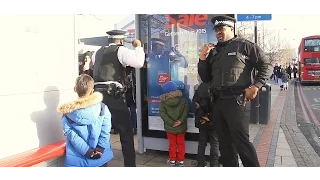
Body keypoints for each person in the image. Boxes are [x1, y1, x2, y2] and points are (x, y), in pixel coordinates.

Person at [198, 15, 273, 167]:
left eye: (222, 29)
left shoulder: (244, 45)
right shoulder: (213, 51)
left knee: (241, 142)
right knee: (225, 144)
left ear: (231, 28)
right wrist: (202, 57)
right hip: (218, 102)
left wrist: (256, 86)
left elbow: (266, 65)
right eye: (217, 30)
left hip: (237, 101)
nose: (218, 32)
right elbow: (205, 77)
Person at [92, 29, 145, 167]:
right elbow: (139, 62)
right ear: (121, 41)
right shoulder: (120, 50)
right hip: (112, 95)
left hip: (96, 95)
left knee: (99, 131)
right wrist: (138, 46)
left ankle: (100, 164)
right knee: (125, 132)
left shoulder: (97, 52)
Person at [57, 74, 114, 167]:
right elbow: (106, 129)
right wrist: (100, 148)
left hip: (78, 160)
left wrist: (87, 151)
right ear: (92, 90)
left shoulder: (67, 113)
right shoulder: (102, 108)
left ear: (75, 89)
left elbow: (72, 135)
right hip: (101, 157)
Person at [159, 81, 189, 167]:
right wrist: (180, 121)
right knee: (181, 144)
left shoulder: (163, 102)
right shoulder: (183, 100)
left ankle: (172, 160)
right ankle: (181, 161)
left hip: (170, 127)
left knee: (172, 144)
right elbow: (186, 111)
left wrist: (172, 123)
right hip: (181, 127)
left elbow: (163, 114)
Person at [192, 80, 219, 167]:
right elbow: (218, 106)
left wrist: (202, 115)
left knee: (202, 143)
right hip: (213, 120)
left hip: (201, 120)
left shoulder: (199, 88)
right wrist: (209, 117)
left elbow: (195, 104)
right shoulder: (216, 87)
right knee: (214, 143)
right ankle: (214, 164)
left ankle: (200, 163)